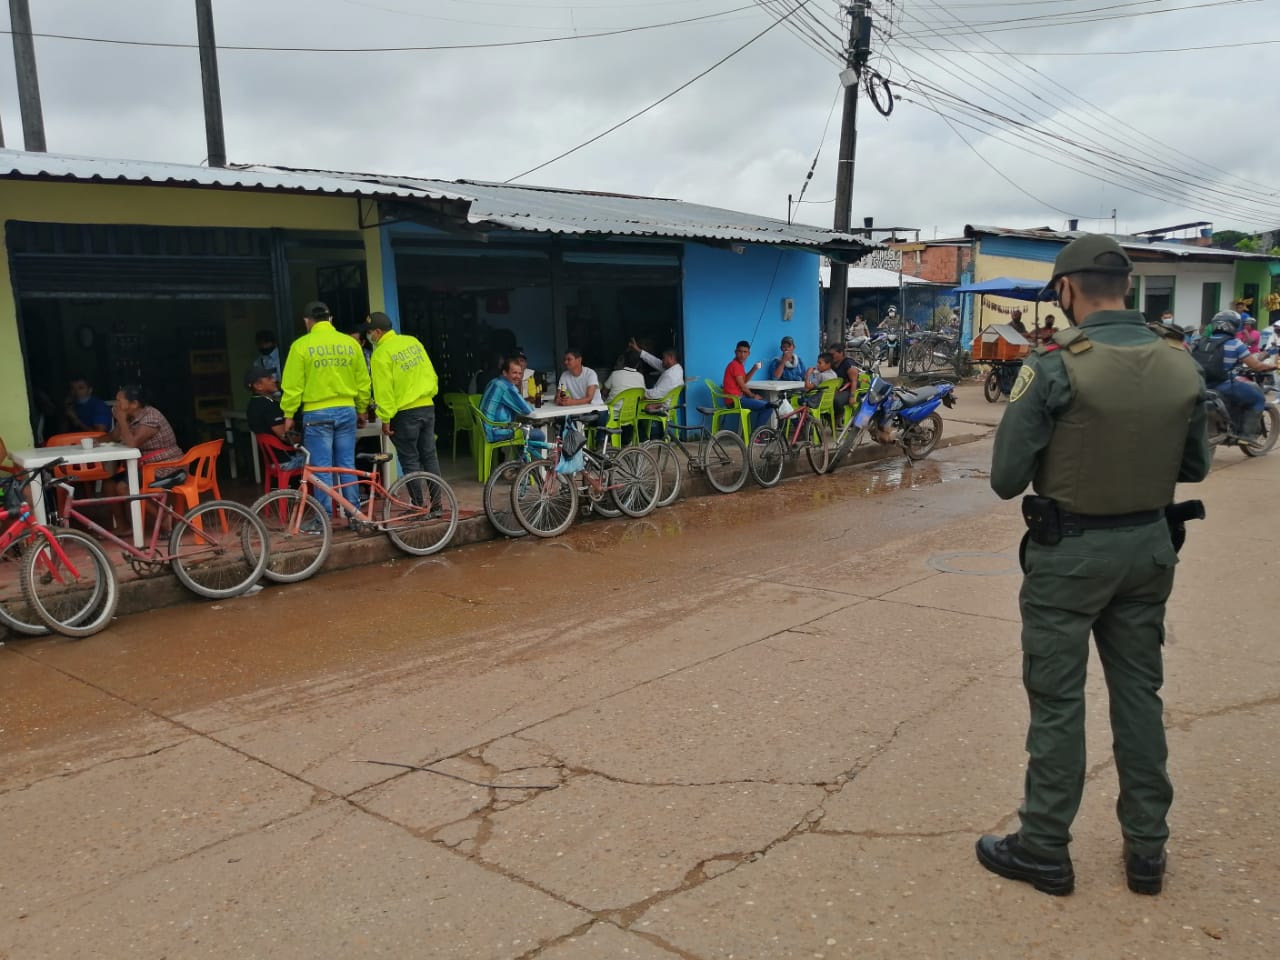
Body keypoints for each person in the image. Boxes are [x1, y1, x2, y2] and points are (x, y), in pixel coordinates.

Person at [978, 235, 1211, 898]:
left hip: (1072, 555)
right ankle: (1147, 852)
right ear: (1127, 288)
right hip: (1149, 550)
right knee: (1140, 696)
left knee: (1057, 702)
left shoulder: (1054, 364)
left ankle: (1045, 848)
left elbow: (1004, 478)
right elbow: (1193, 465)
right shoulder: (1179, 360)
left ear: (1066, 290)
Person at [280, 301, 371, 518]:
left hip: (317, 414)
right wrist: (361, 409)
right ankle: (354, 515)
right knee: (346, 464)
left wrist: (288, 414)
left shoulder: (301, 346)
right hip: (347, 410)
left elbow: (293, 386)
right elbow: (363, 381)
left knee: (321, 468)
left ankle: (324, 518)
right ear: (331, 319)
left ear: (306, 321)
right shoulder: (350, 344)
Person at [362, 312, 444, 511]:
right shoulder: (412, 342)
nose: (369, 337)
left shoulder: (381, 354)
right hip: (427, 406)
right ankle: (437, 505)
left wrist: (386, 418)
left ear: (379, 332)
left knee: (409, 459)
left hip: (405, 413)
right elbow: (430, 373)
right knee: (429, 456)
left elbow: (384, 391)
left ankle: (418, 506)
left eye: (371, 333)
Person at [108, 384, 185, 531]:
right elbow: (115, 437)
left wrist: (122, 420)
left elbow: (132, 443)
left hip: (167, 467)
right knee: (109, 485)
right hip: (147, 467)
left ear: (134, 404)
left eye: (119, 401)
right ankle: (123, 526)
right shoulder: (131, 416)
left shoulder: (151, 417)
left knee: (123, 487)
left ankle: (162, 519)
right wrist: (118, 421)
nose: (116, 405)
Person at [1193, 311, 1276, 441]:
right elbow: (1256, 366)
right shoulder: (1235, 344)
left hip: (1200, 385)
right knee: (1258, 397)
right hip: (1223, 386)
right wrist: (1272, 366)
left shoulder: (1198, 342)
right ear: (1234, 326)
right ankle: (1246, 435)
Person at [245, 365, 304, 471]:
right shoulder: (268, 406)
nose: (274, 380)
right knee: (324, 458)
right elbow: (285, 436)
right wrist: (308, 440)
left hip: (273, 461)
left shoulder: (253, 404)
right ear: (258, 385)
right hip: (287, 460)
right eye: (269, 378)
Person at [481, 357, 546, 448]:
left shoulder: (494, 382)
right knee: (539, 434)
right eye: (514, 373)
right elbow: (526, 410)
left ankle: (521, 460)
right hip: (495, 432)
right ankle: (528, 461)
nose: (518, 376)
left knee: (523, 429)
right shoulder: (506, 387)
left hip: (484, 429)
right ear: (504, 373)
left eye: (520, 373)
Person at [722, 341, 769, 432]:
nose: (742, 355)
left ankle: (757, 434)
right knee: (768, 407)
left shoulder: (738, 365)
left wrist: (754, 368)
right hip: (735, 401)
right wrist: (753, 396)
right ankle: (757, 436)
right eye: (740, 351)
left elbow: (744, 381)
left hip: (737, 399)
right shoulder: (735, 365)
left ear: (748, 353)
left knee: (765, 404)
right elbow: (743, 387)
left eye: (745, 352)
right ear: (735, 352)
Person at [557, 348, 608, 426]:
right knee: (562, 419)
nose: (565, 362)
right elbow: (558, 395)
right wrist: (560, 400)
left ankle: (600, 438)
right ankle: (573, 438)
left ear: (579, 360)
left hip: (596, 409)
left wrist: (572, 402)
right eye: (565, 359)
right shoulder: (564, 375)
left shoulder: (590, 374)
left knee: (602, 416)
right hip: (578, 410)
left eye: (569, 359)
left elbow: (589, 398)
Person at [828, 343, 860, 416]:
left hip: (849, 389)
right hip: (837, 389)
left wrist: (852, 397)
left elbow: (854, 381)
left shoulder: (848, 363)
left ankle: (839, 416)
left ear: (841, 353)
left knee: (835, 401)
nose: (831, 357)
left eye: (833, 354)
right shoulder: (832, 364)